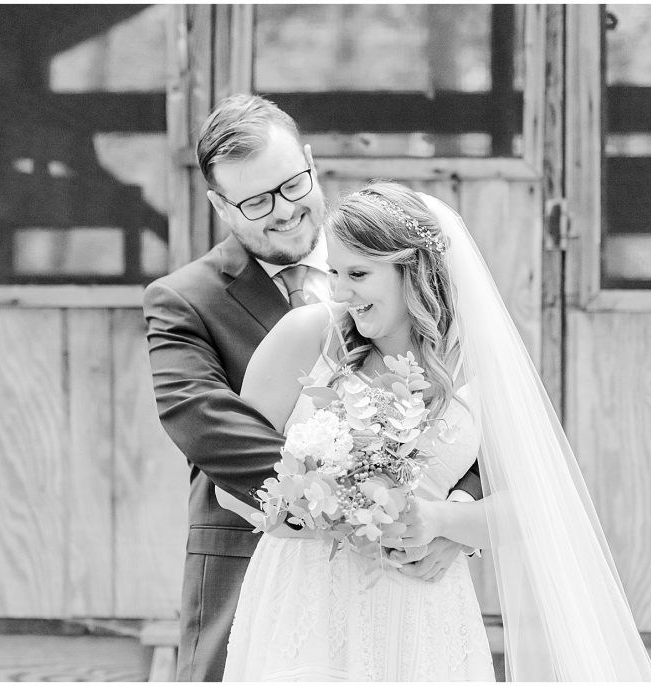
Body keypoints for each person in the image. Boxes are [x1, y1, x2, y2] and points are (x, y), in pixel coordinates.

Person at [219, 182, 651, 681]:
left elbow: (534, 506)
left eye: (358, 274)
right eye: (334, 273)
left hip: (421, 610)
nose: (340, 292)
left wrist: (442, 522)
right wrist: (315, 511)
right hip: (306, 603)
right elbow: (229, 484)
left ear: (413, 271)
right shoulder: (305, 336)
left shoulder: (477, 364)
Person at [143, 97, 482, 681]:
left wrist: (449, 517)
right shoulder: (184, 300)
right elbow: (207, 425)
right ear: (220, 206)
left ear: (308, 162)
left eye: (290, 185)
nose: (282, 212)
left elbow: (477, 438)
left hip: (411, 589)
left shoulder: (400, 269)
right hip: (260, 572)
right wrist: (361, 502)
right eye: (254, 201)